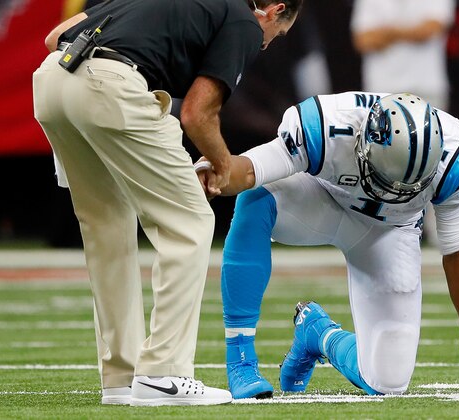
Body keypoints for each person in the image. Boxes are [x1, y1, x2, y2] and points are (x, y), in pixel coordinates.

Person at [33, 0, 301, 407]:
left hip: (53, 82)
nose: (265, 45)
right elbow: (197, 113)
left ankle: (120, 378)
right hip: (112, 86)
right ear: (272, 10)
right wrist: (224, 166)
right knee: (190, 221)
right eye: (276, 35)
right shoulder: (245, 21)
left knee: (107, 228)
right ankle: (163, 372)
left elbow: (55, 37)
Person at [195, 91, 459, 399]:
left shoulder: (458, 160)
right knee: (256, 197)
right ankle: (240, 359)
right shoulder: (326, 126)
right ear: (363, 144)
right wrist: (212, 173)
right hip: (320, 200)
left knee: (388, 381)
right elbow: (251, 169)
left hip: (391, 230)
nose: (393, 192)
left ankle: (317, 333)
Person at [350, 0, 456, 247]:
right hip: (382, 91)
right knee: (376, 162)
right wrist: (408, 31)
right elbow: (363, 40)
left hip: (426, 87)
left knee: (438, 161)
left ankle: (439, 230)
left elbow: (431, 28)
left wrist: (387, 32)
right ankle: (381, 228)